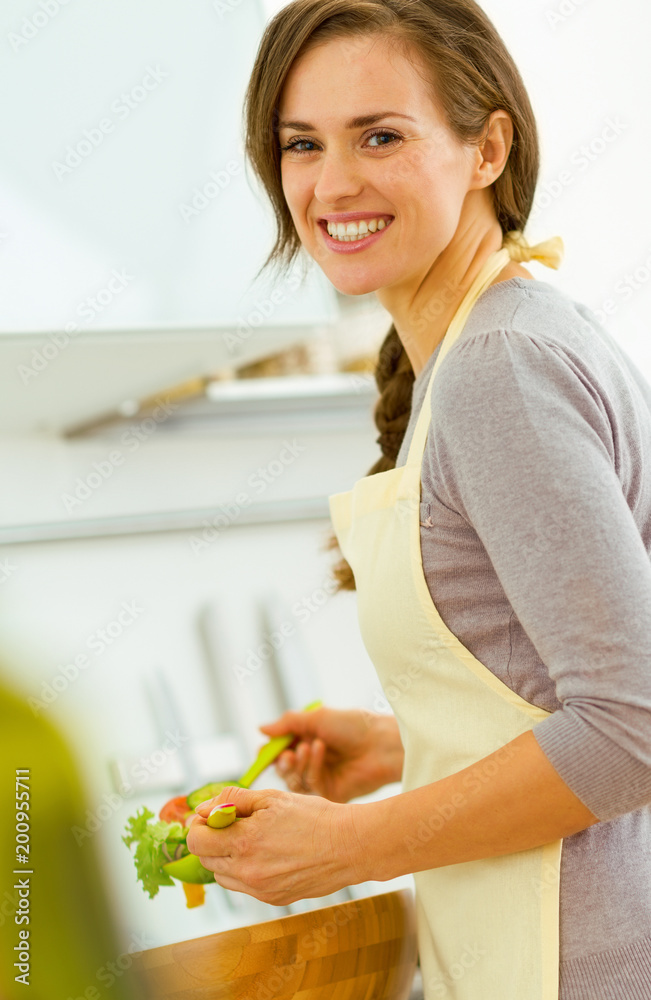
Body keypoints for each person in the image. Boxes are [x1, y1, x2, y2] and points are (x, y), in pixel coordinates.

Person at [186, 2, 651, 997]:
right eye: (301, 144)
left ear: (487, 148)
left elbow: (633, 725)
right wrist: (408, 748)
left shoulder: (499, 364)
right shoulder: (489, 339)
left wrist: (352, 845)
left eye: (381, 136)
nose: (333, 182)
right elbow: (568, 686)